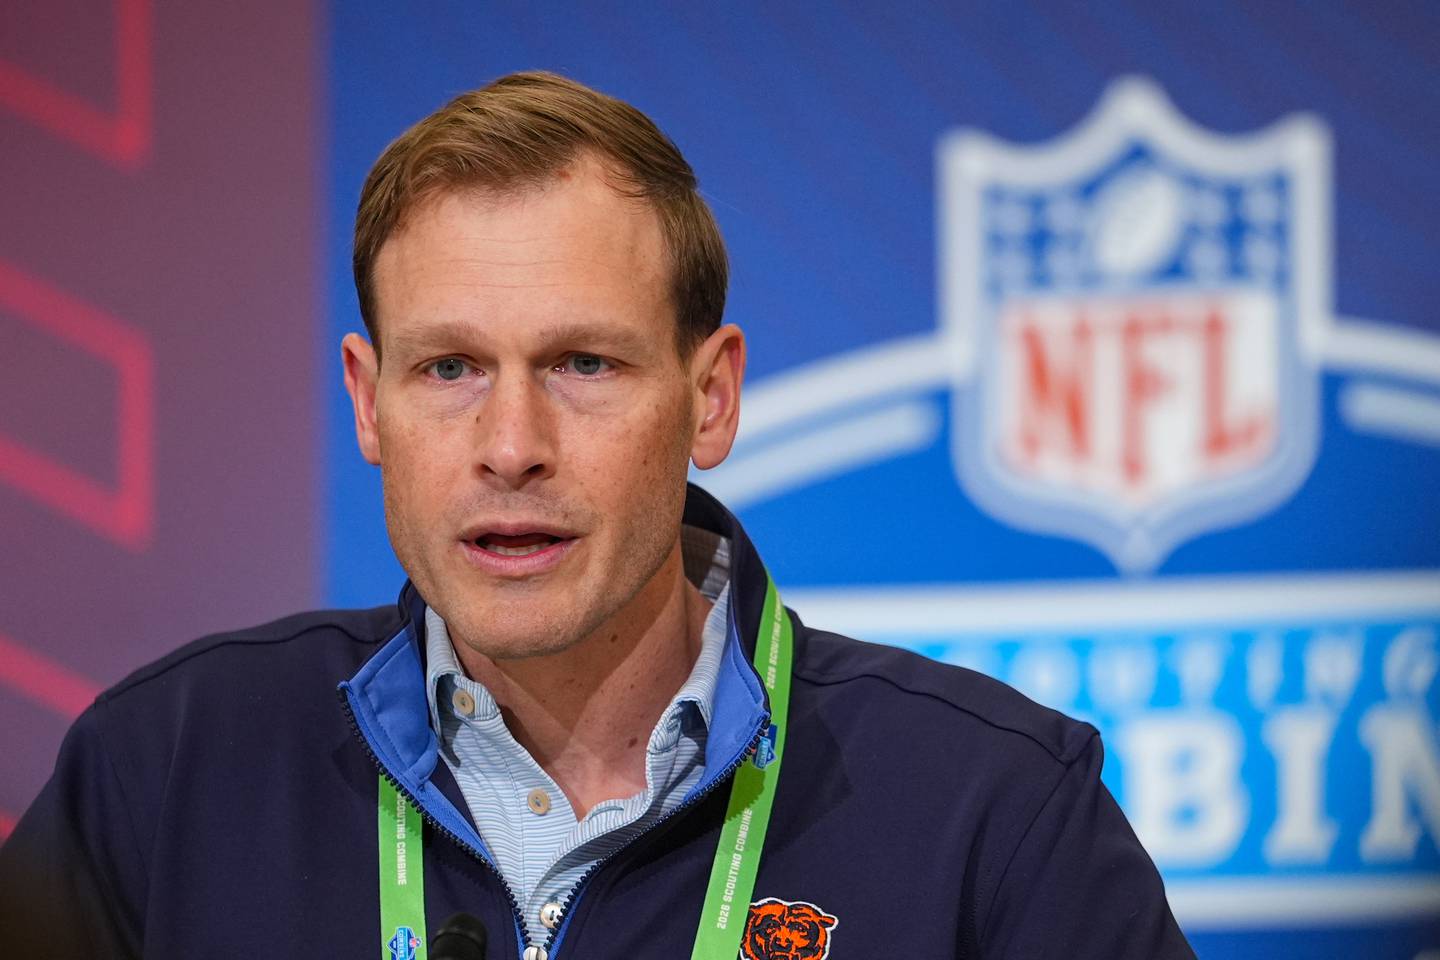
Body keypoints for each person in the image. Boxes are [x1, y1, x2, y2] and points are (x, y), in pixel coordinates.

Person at [0, 71, 1194, 959]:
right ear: (369, 404)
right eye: (449, 369)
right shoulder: (162, 776)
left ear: (710, 395)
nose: (511, 447)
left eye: (582, 364)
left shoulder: (991, 807)